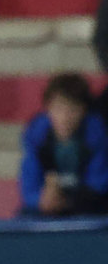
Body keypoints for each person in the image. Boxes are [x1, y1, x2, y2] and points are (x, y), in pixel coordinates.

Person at [20, 73, 108, 217]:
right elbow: (29, 189)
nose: (65, 118)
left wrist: (68, 202)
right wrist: (42, 200)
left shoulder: (96, 137)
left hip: (89, 207)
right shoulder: (37, 138)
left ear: (84, 111)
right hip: (46, 209)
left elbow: (99, 184)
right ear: (48, 109)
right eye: (58, 108)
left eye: (72, 110)